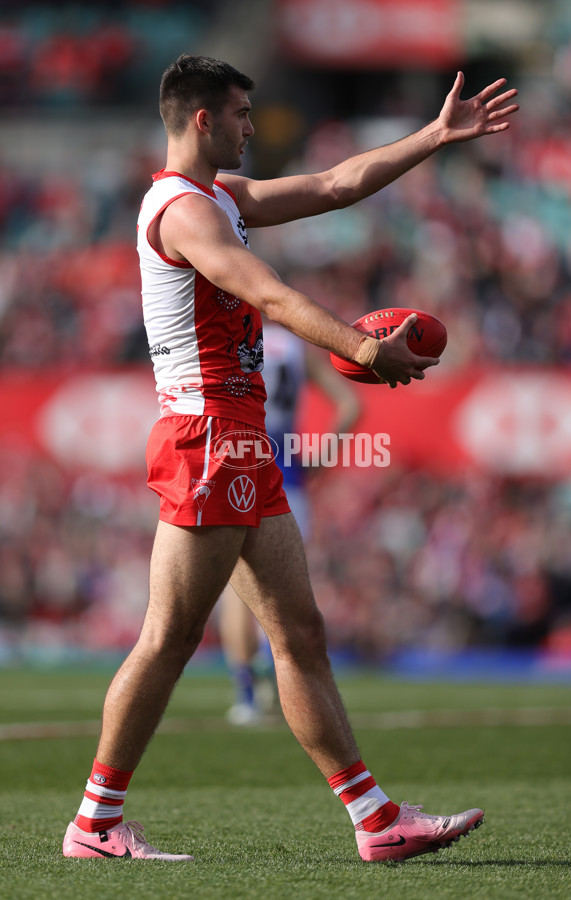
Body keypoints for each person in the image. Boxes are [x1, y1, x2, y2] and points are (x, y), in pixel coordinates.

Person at [62, 54, 518, 862]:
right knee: (170, 637)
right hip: (210, 439)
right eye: (240, 113)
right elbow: (268, 294)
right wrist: (364, 351)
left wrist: (437, 135)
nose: (250, 126)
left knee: (298, 633)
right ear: (202, 119)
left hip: (240, 441)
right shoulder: (184, 211)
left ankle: (376, 823)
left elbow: (338, 184)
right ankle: (95, 823)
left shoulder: (218, 198)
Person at [220, 324, 361, 725]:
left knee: (238, 593)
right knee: (281, 591)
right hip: (287, 480)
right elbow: (351, 405)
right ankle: (280, 684)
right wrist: (317, 460)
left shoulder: (229, 335)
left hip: (238, 470)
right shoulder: (294, 347)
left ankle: (247, 696)